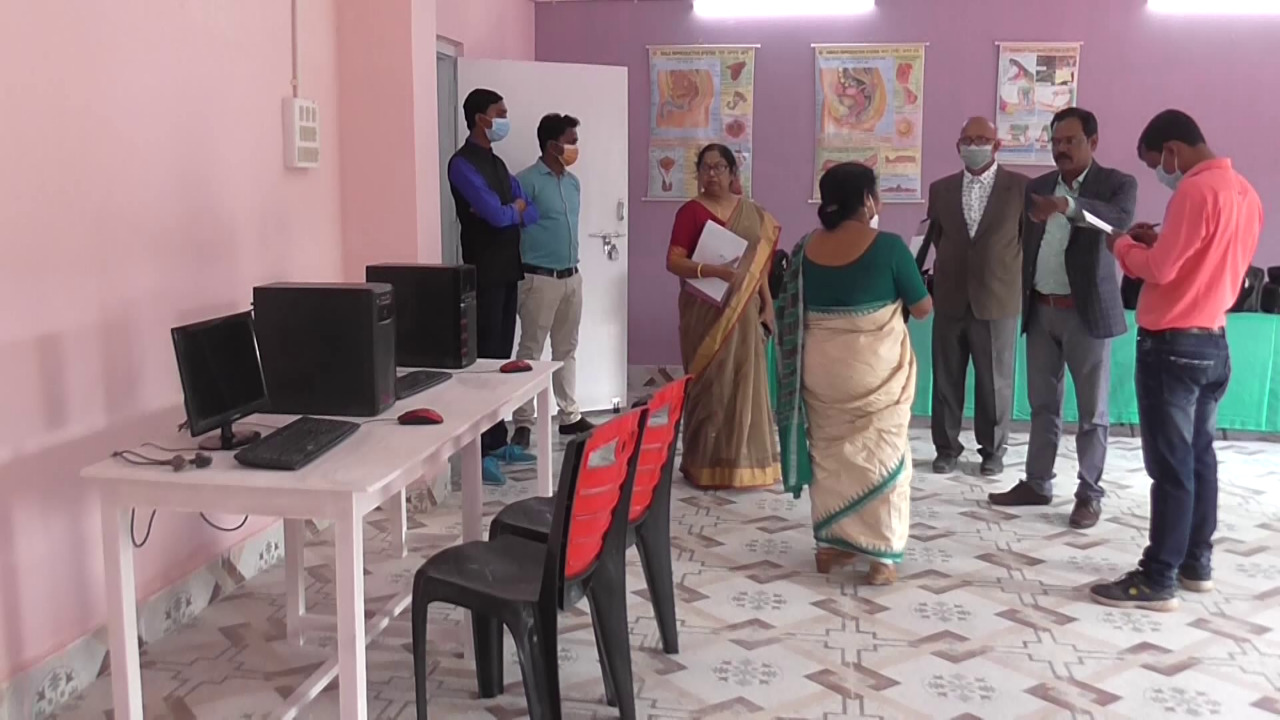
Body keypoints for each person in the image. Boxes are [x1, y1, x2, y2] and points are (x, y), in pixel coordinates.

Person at [1091, 110, 1262, 611]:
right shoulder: (1245, 193)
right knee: (1199, 457)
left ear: (1173, 151)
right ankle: (1195, 563)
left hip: (1172, 346)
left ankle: (1157, 576)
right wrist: (1157, 242)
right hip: (1213, 342)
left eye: (1156, 164)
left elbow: (1162, 271)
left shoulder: (1194, 190)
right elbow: (1208, 260)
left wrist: (1122, 245)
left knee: (1170, 466)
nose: (1160, 174)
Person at [775, 163, 933, 586]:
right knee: (884, 453)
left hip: (821, 371)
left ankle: (831, 547)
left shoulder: (806, 247)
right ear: (866, 200)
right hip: (873, 371)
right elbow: (922, 309)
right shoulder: (890, 247)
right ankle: (881, 558)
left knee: (829, 454)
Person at [989, 108, 1137, 530]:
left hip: (1086, 315)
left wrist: (1068, 206)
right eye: (1055, 142)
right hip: (1041, 311)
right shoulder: (1037, 187)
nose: (1061, 149)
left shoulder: (1117, 184)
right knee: (1042, 406)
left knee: (1092, 413)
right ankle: (1037, 482)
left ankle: (1089, 495)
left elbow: (1117, 220)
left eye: (1070, 141)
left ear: (1093, 142)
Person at [665, 144, 781, 489]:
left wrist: (768, 304)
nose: (712, 174)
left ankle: (745, 465)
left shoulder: (753, 213)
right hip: (704, 312)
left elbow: (758, 269)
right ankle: (704, 464)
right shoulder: (690, 212)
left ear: (733, 173)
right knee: (710, 388)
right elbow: (674, 261)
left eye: (719, 167)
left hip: (745, 311)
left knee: (745, 382)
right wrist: (712, 270)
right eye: (705, 167)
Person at [924, 117, 1029, 477]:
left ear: (997, 145)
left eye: (982, 139)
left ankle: (993, 451)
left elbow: (1027, 241)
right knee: (946, 379)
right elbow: (938, 239)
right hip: (950, 297)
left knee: (995, 382)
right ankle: (946, 448)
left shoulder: (1021, 188)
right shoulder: (940, 189)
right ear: (958, 146)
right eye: (967, 140)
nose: (974, 145)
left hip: (998, 299)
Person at [447, 88, 538, 485]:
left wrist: (509, 210)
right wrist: (508, 210)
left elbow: (528, 211)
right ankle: (478, 450)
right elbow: (498, 215)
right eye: (499, 113)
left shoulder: (497, 163)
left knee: (501, 361)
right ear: (479, 118)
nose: (504, 119)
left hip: (508, 269)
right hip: (482, 274)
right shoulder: (462, 164)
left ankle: (498, 440)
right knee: (483, 364)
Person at [510, 114, 595, 448]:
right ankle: (523, 421)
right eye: (570, 141)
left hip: (571, 277)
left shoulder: (573, 184)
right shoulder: (525, 182)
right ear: (551, 145)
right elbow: (512, 226)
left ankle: (569, 415)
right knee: (531, 350)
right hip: (538, 279)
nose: (575, 147)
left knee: (566, 349)